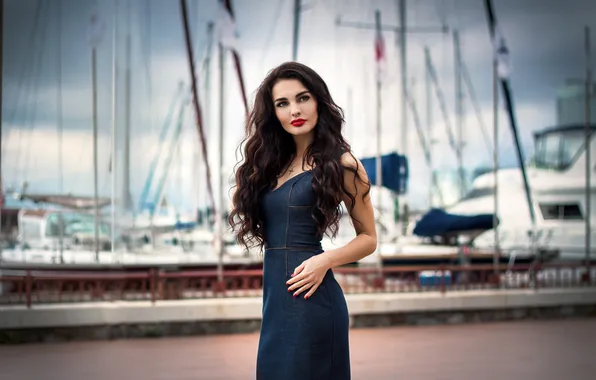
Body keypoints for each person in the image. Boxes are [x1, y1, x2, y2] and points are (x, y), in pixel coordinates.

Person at [229, 61, 377, 380]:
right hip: (275, 306)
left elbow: (369, 238)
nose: (294, 109)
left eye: (303, 98)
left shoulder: (343, 164)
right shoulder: (272, 165)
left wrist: (323, 261)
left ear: (319, 102)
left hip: (312, 299)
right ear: (273, 112)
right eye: (282, 103)